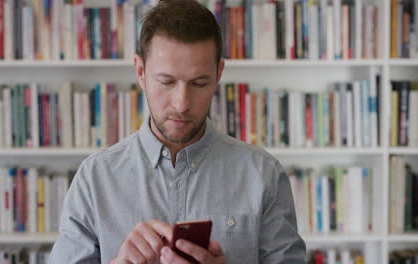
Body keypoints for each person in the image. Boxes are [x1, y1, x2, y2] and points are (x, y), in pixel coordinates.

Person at [49, 0, 306, 263]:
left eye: (199, 83)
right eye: (166, 81)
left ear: (218, 74)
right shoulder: (94, 180)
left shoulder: (263, 175)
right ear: (140, 71)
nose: (181, 103)